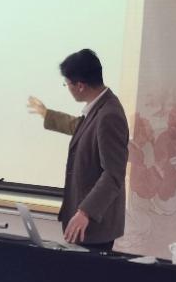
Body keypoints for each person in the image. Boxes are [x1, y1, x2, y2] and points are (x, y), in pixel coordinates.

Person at [27, 49, 129, 250]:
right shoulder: (99, 107)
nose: (68, 88)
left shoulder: (109, 114)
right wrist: (47, 114)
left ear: (80, 85)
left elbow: (113, 174)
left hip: (94, 224)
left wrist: (85, 212)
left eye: (67, 84)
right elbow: (81, 128)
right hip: (86, 223)